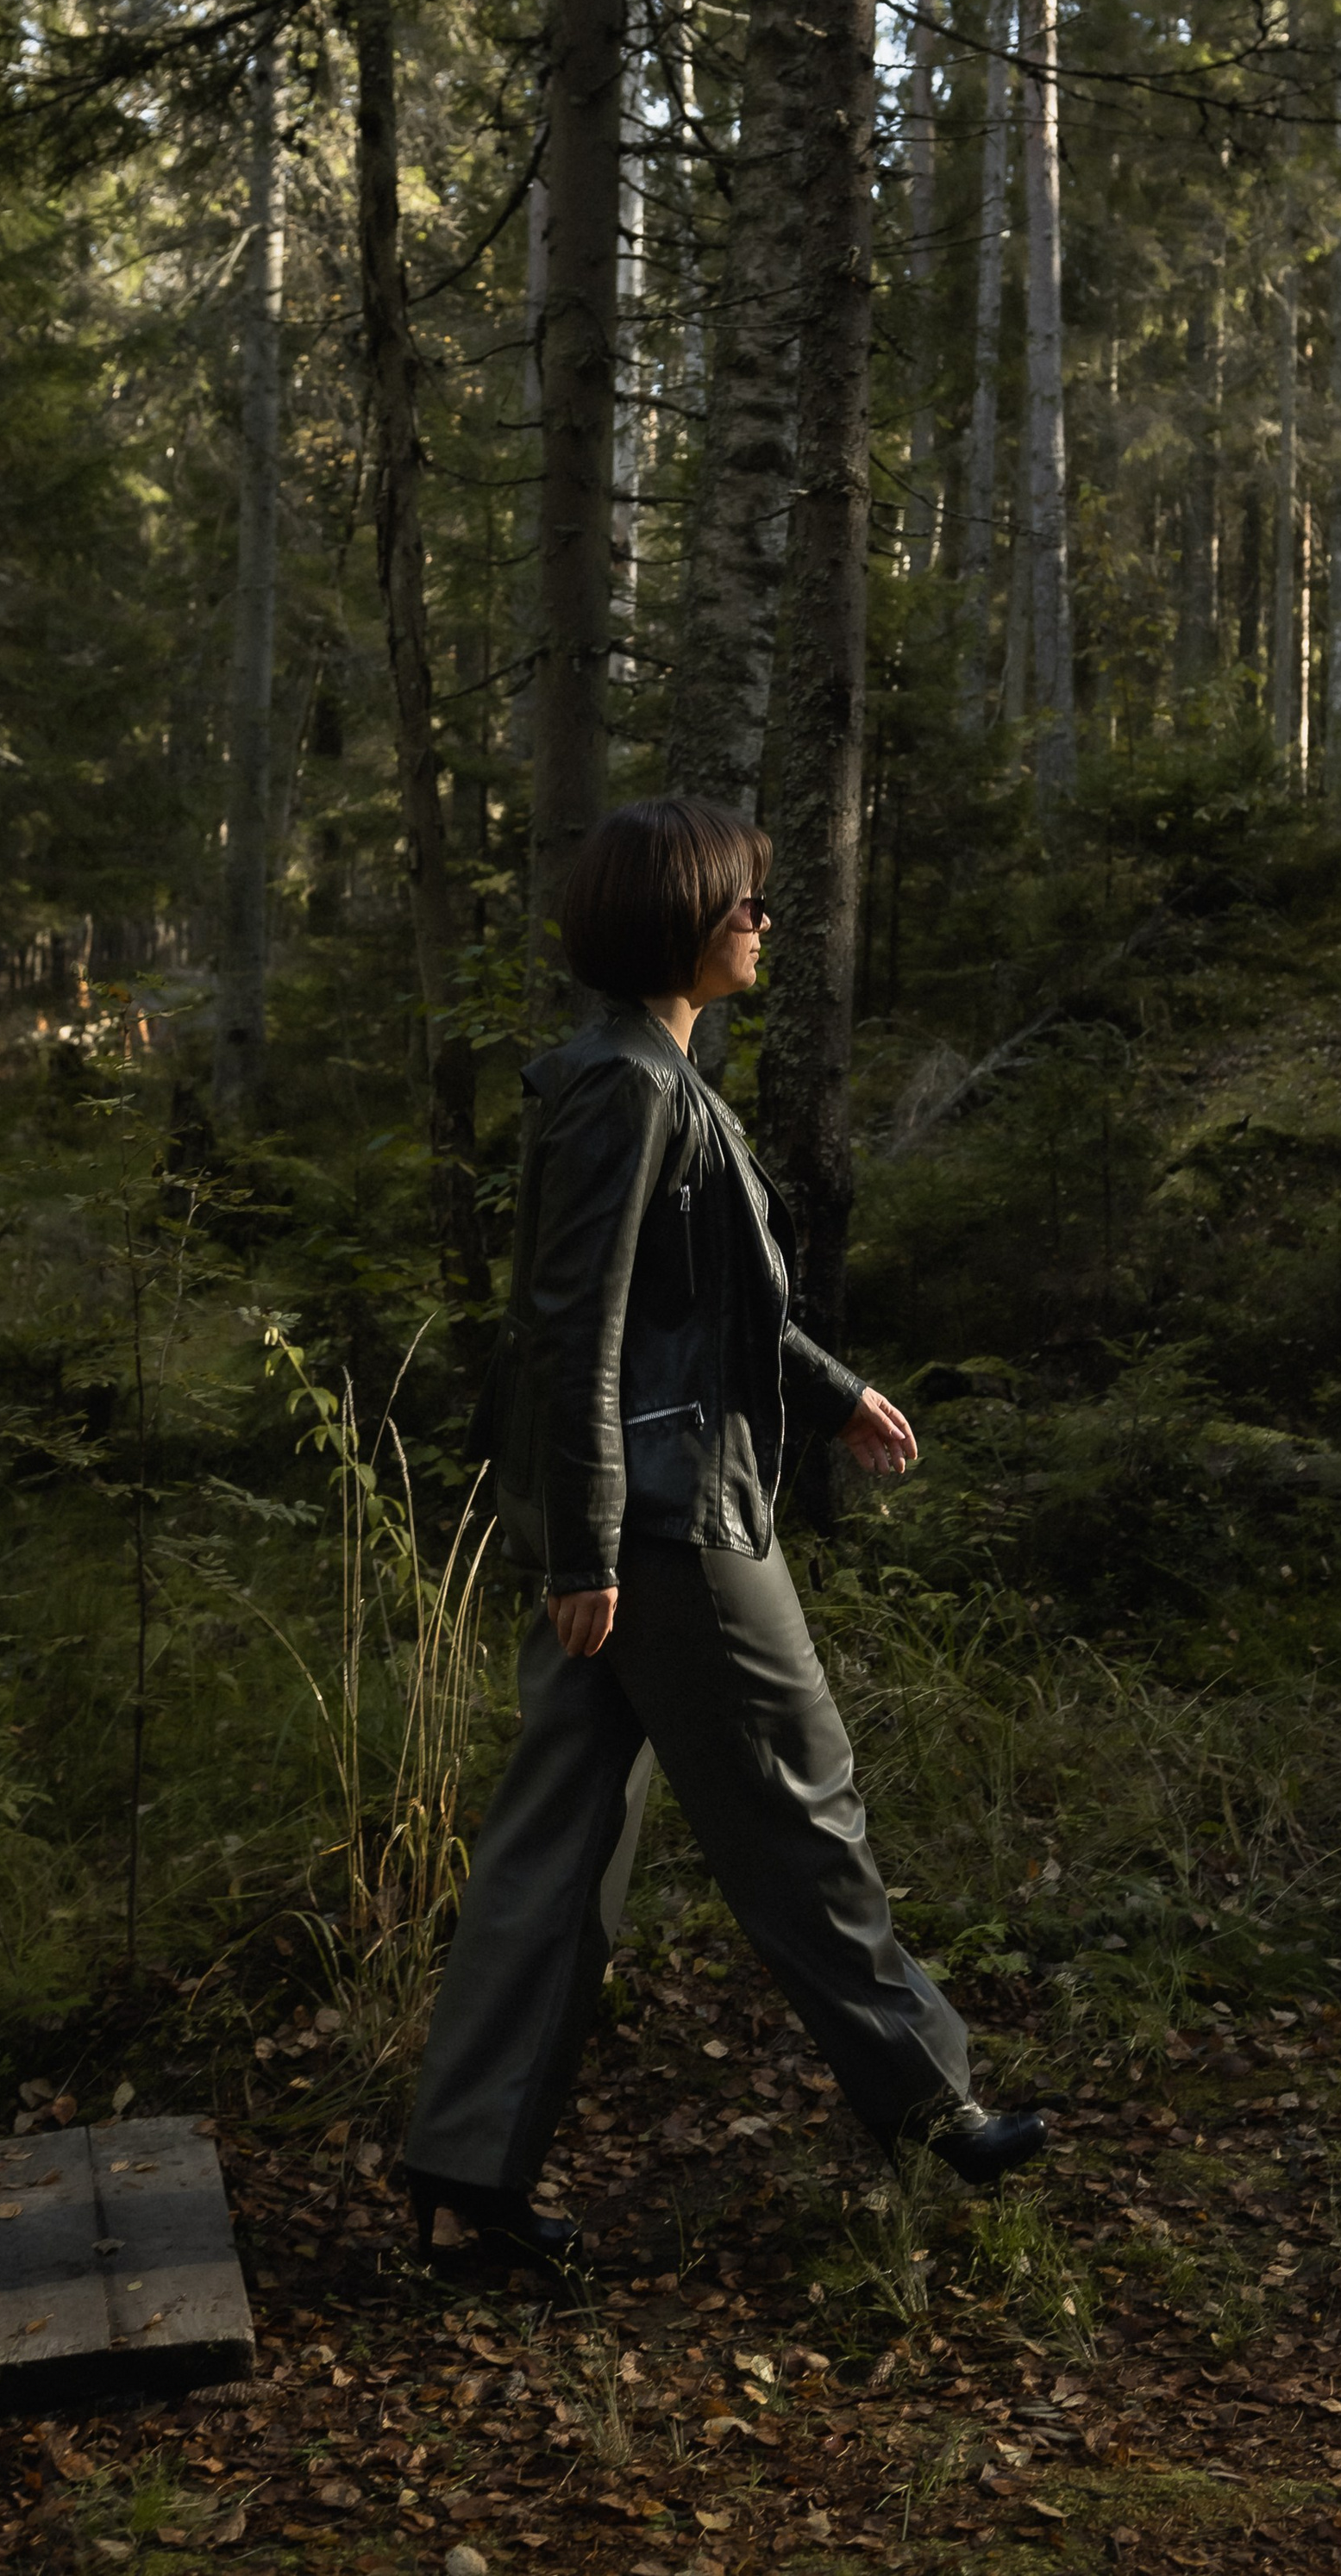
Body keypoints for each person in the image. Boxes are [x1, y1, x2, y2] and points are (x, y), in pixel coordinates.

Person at [400, 796, 1048, 2259]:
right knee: (800, 1797)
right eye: (741, 902)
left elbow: (717, 1308)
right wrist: (587, 1552)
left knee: (554, 1847)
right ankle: (933, 2105)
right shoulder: (631, 1089)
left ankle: (465, 2184)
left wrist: (836, 1396)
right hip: (672, 1528)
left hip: (645, 1511)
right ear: (676, 920)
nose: (762, 921)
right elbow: (576, 1330)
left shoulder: (644, 1078)